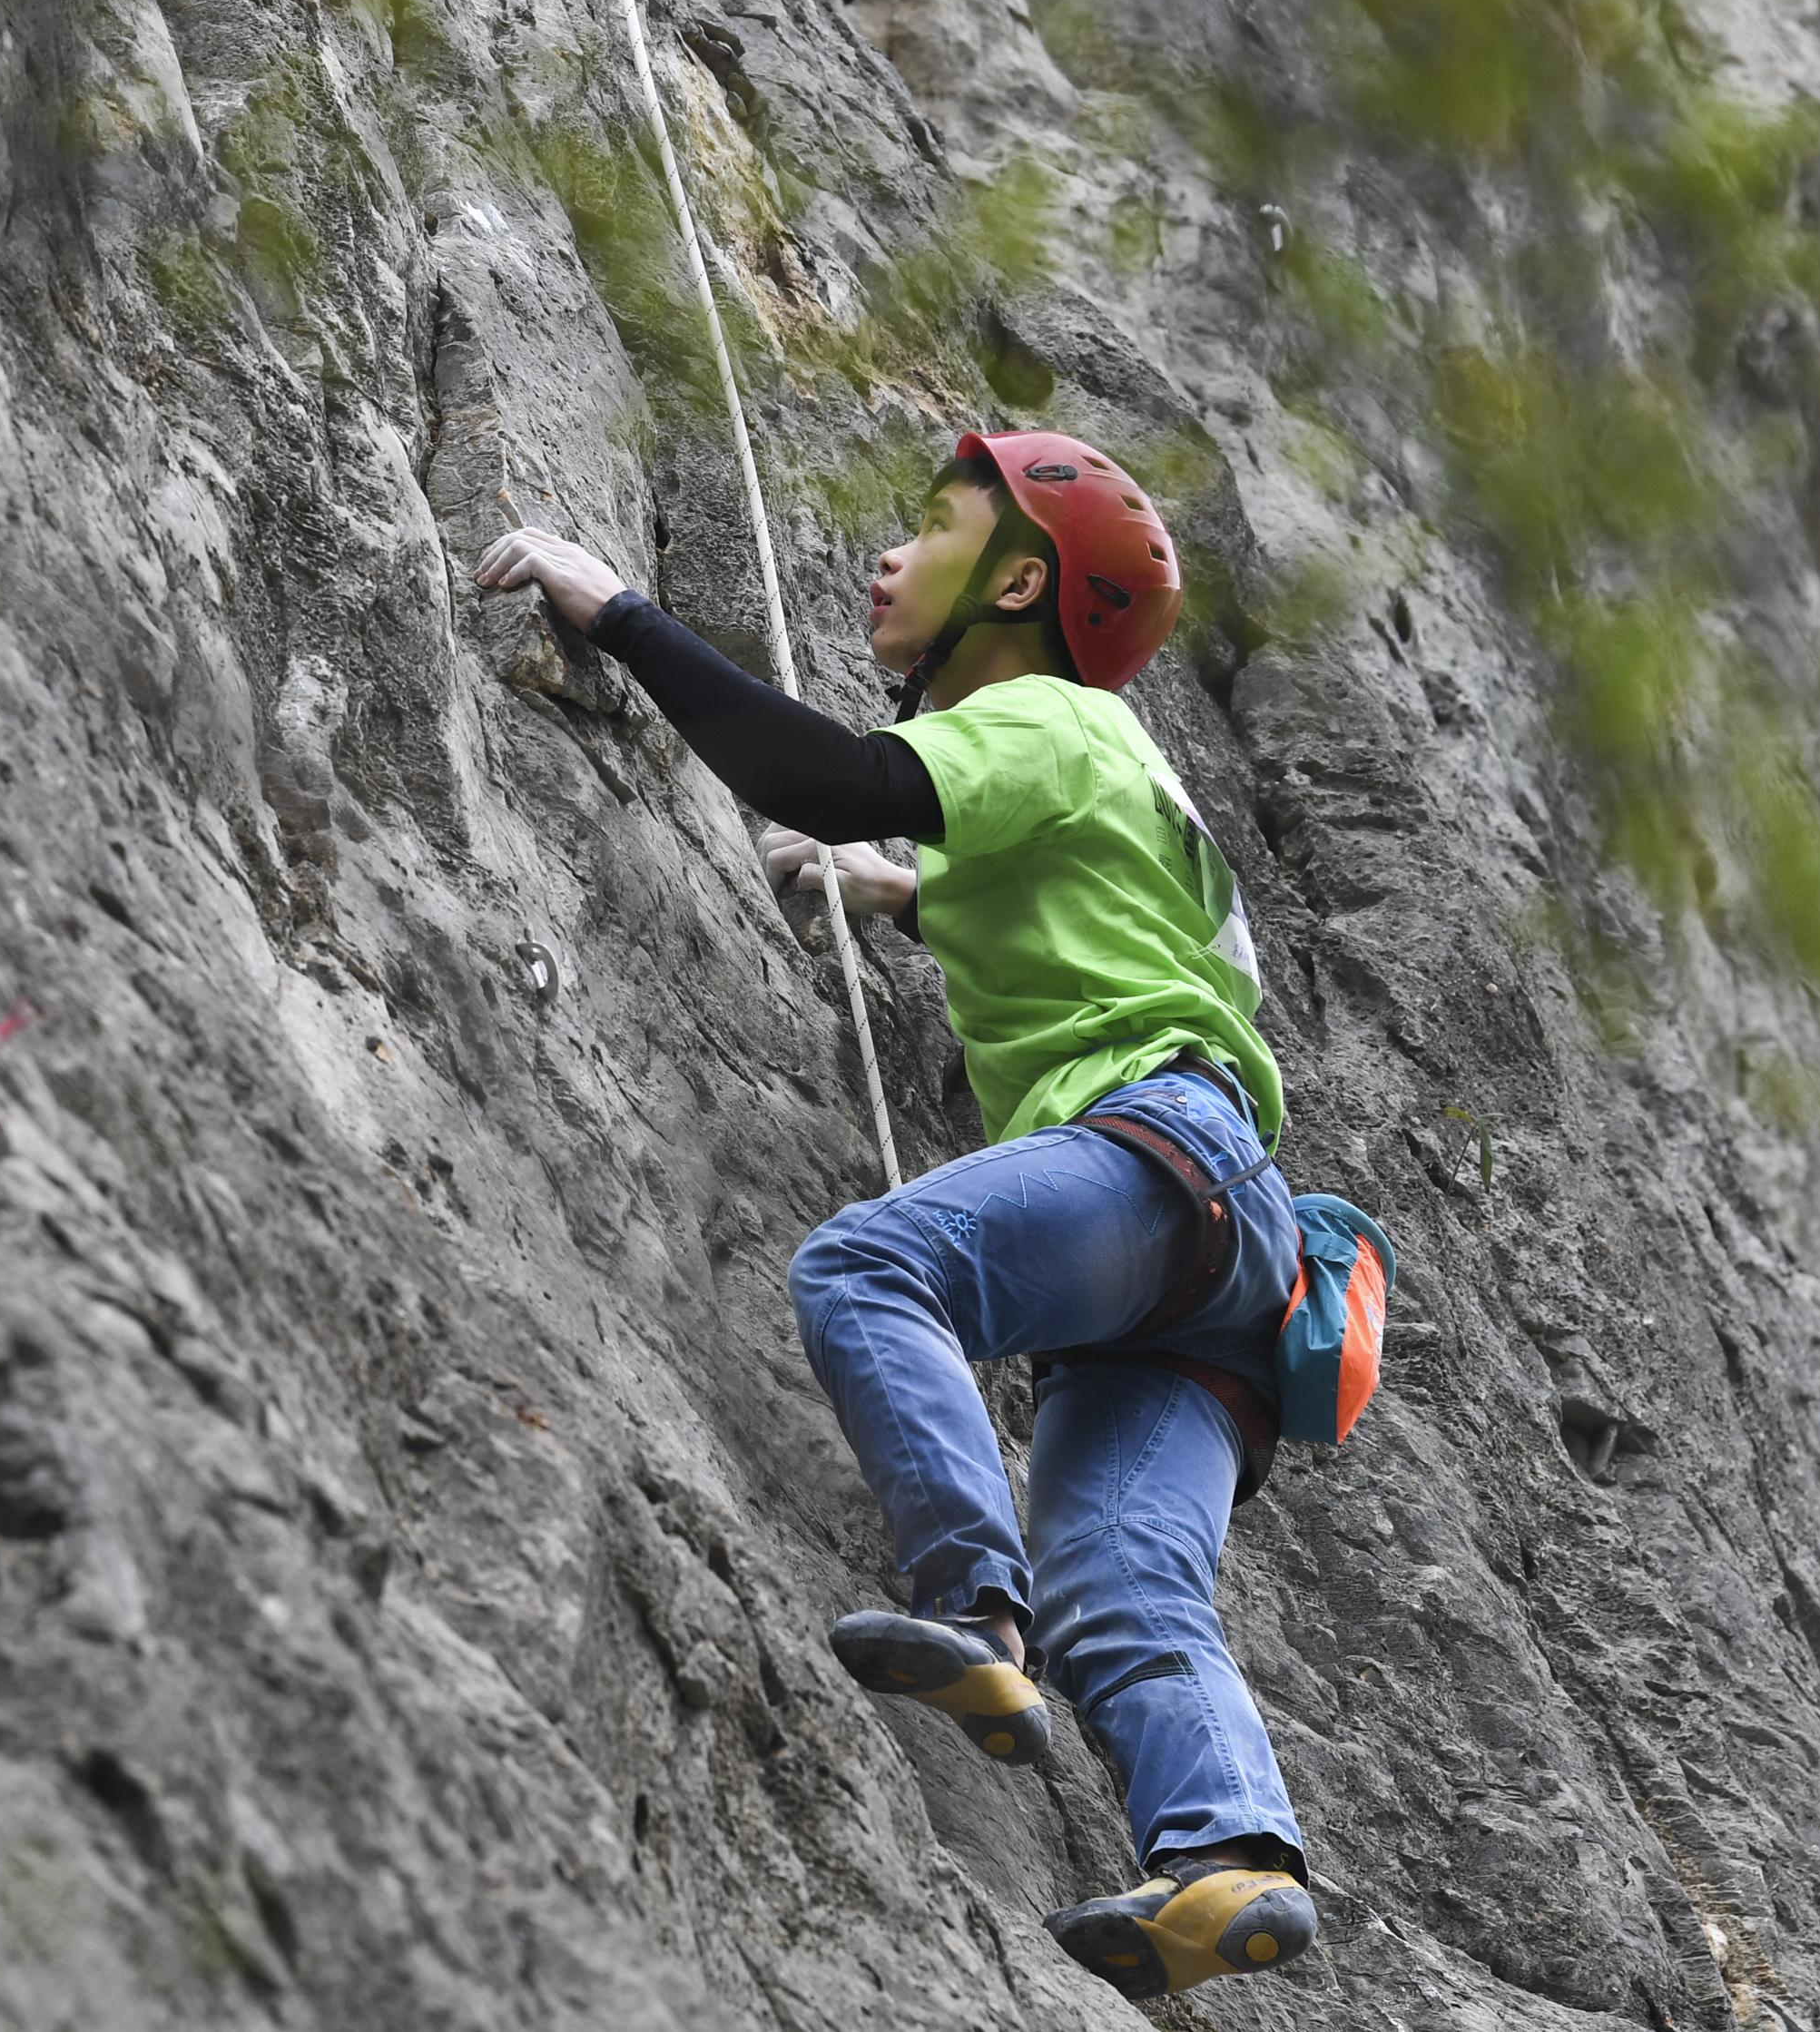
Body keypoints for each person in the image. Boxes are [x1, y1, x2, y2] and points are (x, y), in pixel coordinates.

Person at [475, 429, 1316, 1998]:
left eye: (928, 528)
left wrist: (618, 612)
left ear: (1016, 580)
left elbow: (834, 775)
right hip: (1229, 1259)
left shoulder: (1051, 715)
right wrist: (904, 893)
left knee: (871, 1267)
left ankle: (969, 1611)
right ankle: (1229, 1863)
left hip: (1155, 1156)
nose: (884, 556)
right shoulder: (1117, 771)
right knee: (1127, 1582)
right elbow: (1105, 917)